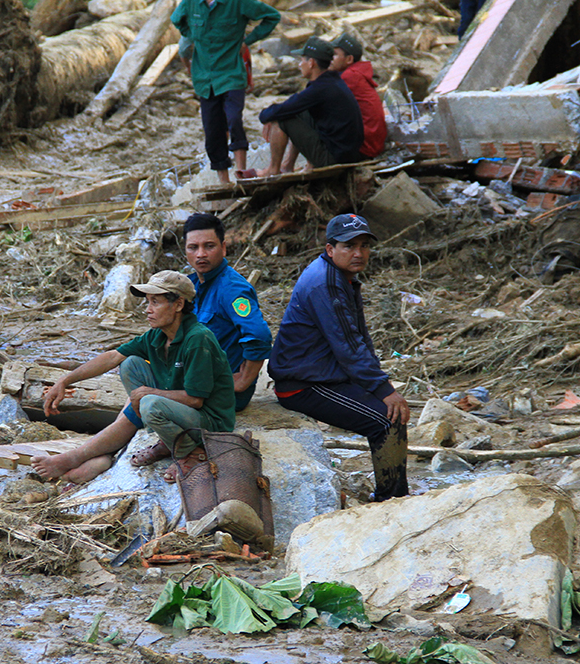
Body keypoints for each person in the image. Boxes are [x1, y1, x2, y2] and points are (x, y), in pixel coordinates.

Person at [33, 271, 235, 485]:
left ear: (178, 305)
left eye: (155, 302)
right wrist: (65, 381)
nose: (148, 310)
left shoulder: (198, 339)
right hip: (181, 410)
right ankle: (116, 451)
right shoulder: (158, 335)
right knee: (130, 364)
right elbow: (112, 357)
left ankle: (189, 453)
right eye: (147, 302)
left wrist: (151, 393)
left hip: (210, 423)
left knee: (149, 404)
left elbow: (196, 400)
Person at [267, 214, 409, 502]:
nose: (358, 253)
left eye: (364, 245)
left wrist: (379, 384)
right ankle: (392, 502)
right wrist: (384, 390)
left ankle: (393, 494)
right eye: (349, 246)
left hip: (323, 373)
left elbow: (359, 338)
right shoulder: (325, 283)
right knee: (387, 419)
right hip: (302, 384)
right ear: (331, 249)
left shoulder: (338, 275)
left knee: (390, 408)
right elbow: (348, 348)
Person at [172, 0, 280, 184]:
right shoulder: (192, 0)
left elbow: (271, 16)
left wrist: (246, 41)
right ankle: (224, 181)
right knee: (212, 130)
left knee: (233, 119)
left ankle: (241, 173)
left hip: (231, 73)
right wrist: (195, 37)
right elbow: (177, 19)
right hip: (205, 78)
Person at [183, 213, 271, 412]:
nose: (201, 254)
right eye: (193, 248)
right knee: (135, 368)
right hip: (199, 382)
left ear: (223, 248)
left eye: (209, 246)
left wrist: (243, 381)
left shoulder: (231, 288)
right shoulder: (193, 284)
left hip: (223, 393)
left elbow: (259, 335)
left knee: (147, 401)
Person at [256, 36, 364, 178]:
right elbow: (293, 105)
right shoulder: (332, 81)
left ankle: (273, 169)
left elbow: (281, 110)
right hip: (345, 154)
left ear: (311, 63)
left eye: (302, 60)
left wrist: (267, 116)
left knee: (281, 119)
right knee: (296, 112)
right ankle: (287, 166)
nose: (300, 65)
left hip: (334, 160)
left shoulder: (320, 88)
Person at [280, 33, 385, 172]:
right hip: (368, 143)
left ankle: (293, 165)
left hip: (363, 146)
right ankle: (291, 165)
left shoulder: (349, 77)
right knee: (307, 110)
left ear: (349, 59)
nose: (329, 59)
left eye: (334, 55)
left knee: (306, 112)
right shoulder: (356, 73)